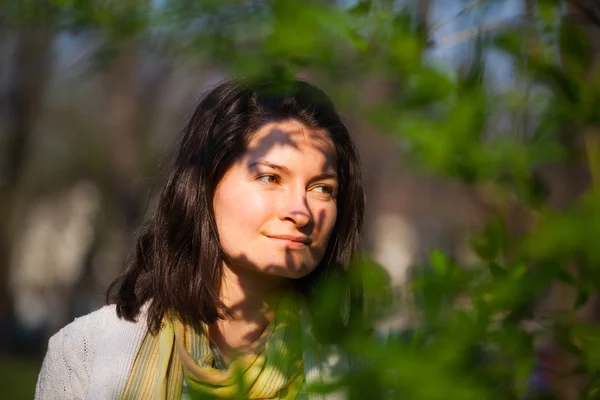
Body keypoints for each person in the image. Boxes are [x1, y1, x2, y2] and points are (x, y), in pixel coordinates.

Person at [35, 77, 365, 399]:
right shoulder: (86, 354)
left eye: (322, 188)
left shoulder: (360, 376)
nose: (301, 212)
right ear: (205, 186)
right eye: (270, 177)